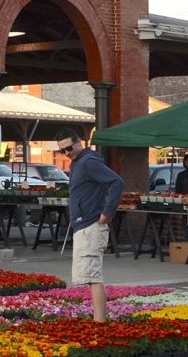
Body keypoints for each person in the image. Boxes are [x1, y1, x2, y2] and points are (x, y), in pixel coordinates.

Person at [56, 128, 124, 322]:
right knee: (88, 275)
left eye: (69, 148)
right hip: (83, 225)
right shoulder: (79, 163)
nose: (66, 153)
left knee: (93, 275)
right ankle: (98, 319)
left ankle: (100, 322)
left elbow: (117, 182)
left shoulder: (87, 162)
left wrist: (107, 214)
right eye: (62, 151)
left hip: (91, 225)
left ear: (79, 142)